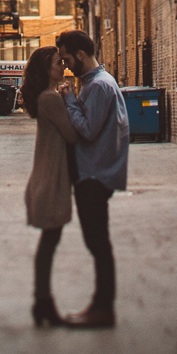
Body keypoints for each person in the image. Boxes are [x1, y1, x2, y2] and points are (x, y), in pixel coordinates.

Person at [55, 29, 129, 329]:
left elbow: (87, 130)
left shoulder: (98, 87)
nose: (66, 64)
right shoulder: (96, 82)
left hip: (95, 174)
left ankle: (102, 309)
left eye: (67, 58)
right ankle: (100, 306)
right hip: (94, 172)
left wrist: (70, 101)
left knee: (98, 243)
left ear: (81, 55)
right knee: (97, 242)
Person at [19, 46, 78, 327]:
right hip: (50, 179)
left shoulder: (46, 98)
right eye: (57, 63)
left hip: (45, 176)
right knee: (49, 243)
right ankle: (43, 303)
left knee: (49, 243)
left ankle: (43, 302)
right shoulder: (51, 99)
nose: (63, 67)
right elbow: (72, 134)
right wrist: (72, 100)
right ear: (46, 70)